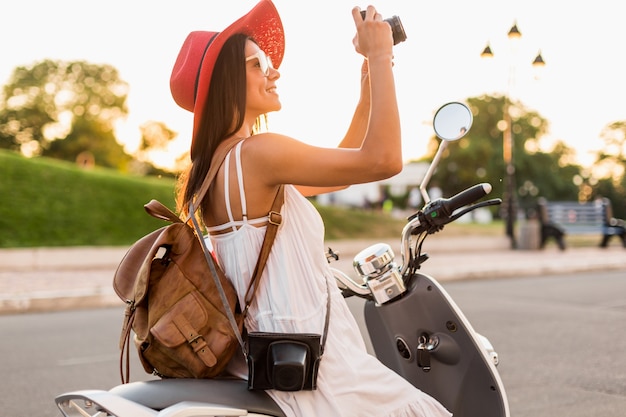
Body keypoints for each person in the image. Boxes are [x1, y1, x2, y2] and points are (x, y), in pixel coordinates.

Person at [171, 1, 451, 416]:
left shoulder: (216, 167)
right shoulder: (259, 153)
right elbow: (384, 159)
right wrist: (379, 56)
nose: (273, 71)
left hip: (276, 356)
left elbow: (343, 169)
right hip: (315, 360)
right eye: (257, 64)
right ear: (225, 81)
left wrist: (370, 86)